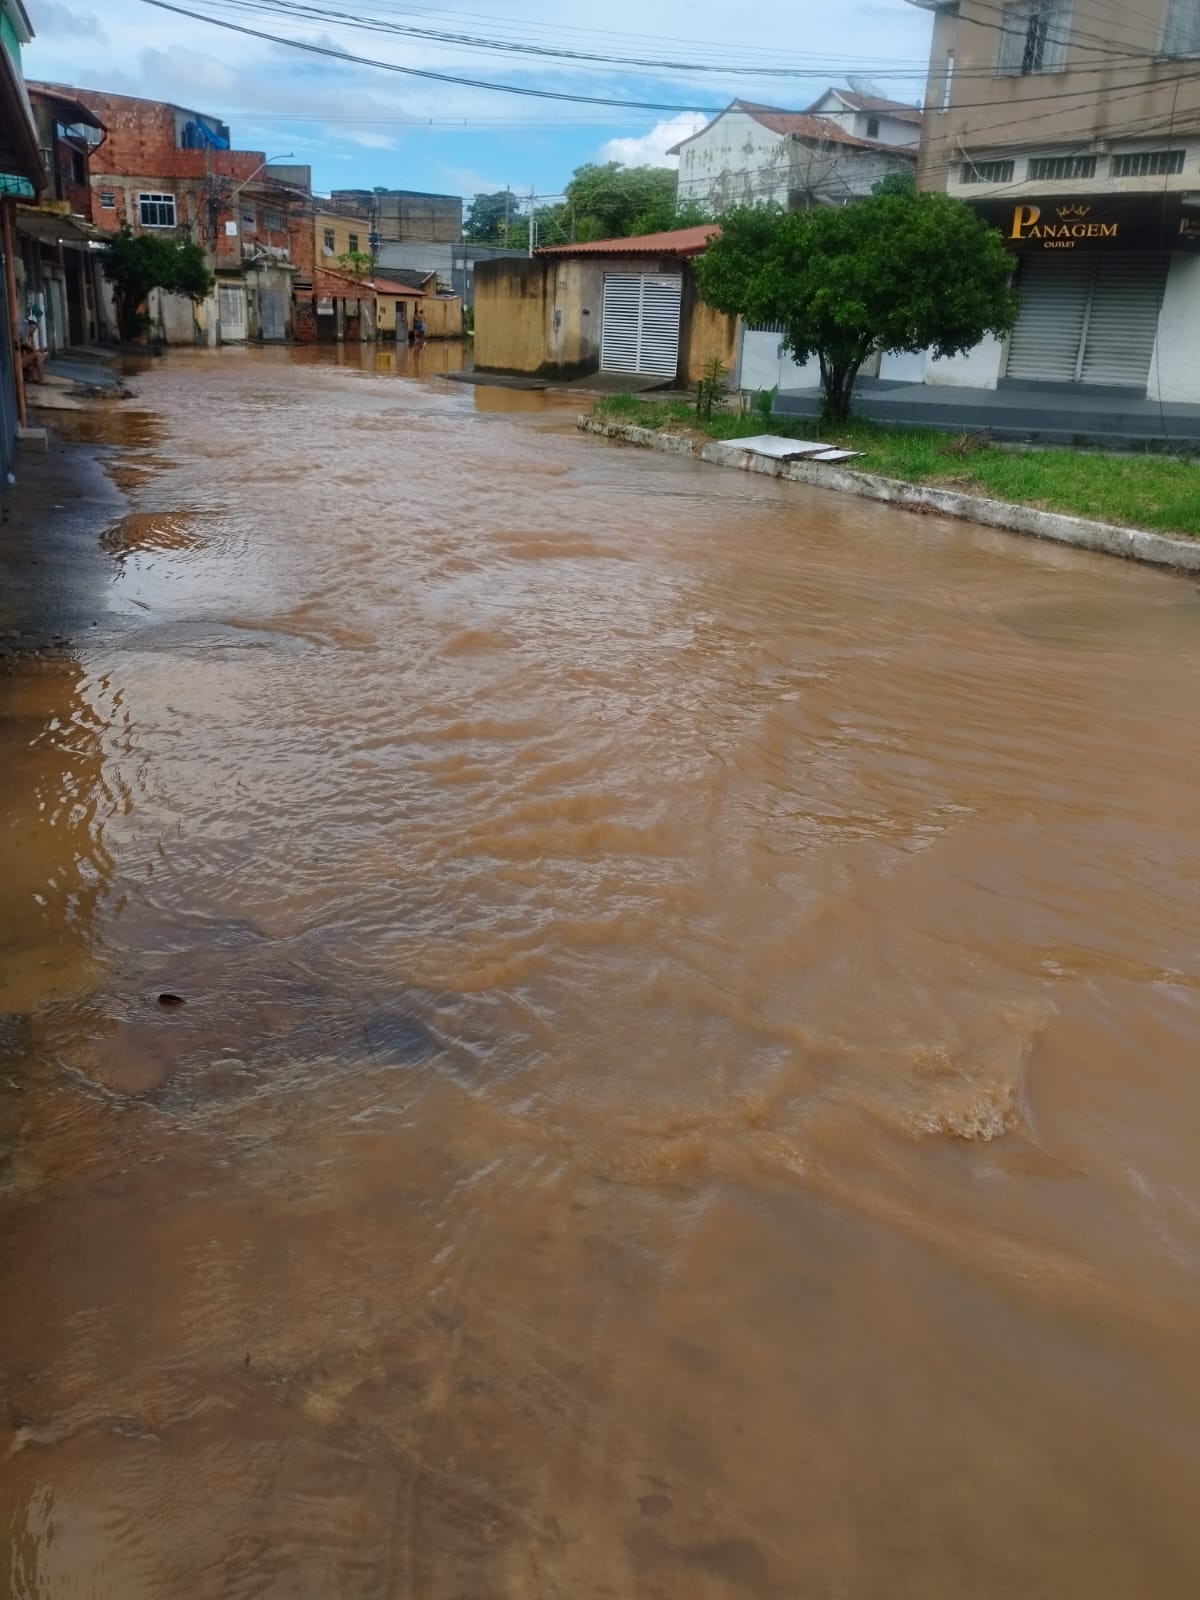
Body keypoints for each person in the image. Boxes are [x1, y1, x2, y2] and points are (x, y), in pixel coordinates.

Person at [18, 317, 44, 383]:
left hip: (19, 360)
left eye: (34, 329)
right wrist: (31, 337)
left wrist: (31, 337)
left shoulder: (25, 337)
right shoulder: (23, 337)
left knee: (39, 357)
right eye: (32, 328)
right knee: (39, 355)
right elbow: (34, 351)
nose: (33, 331)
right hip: (15, 362)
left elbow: (30, 352)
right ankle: (41, 380)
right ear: (27, 327)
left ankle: (32, 378)